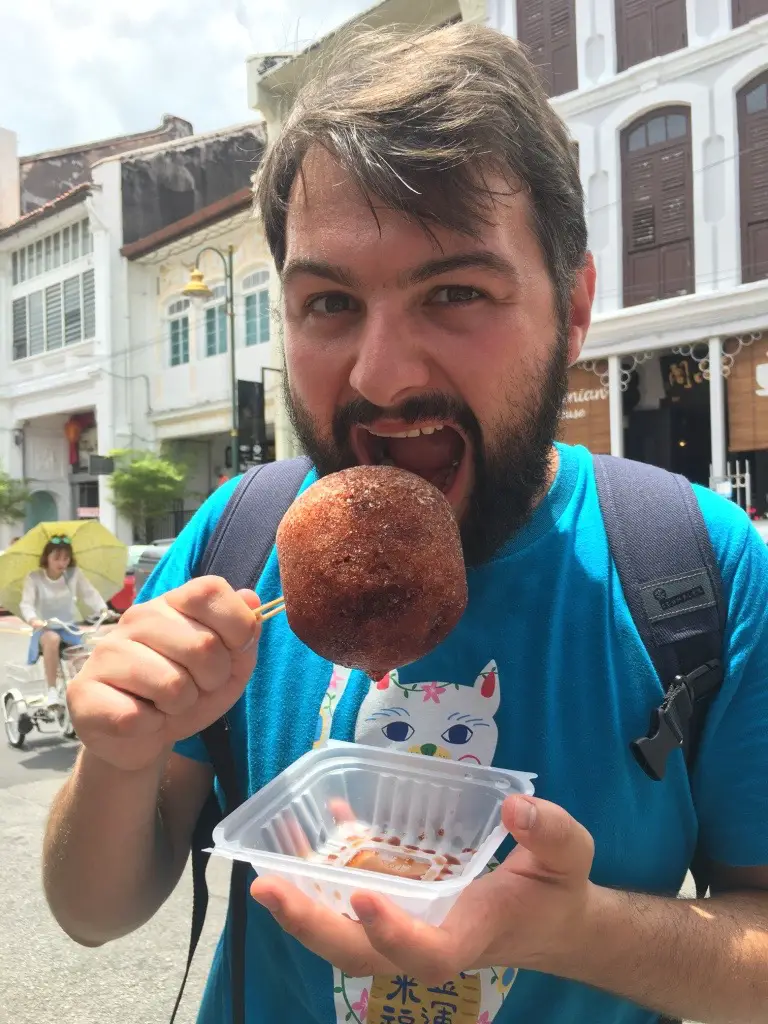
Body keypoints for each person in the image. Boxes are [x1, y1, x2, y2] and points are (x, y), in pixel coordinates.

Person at [42, 23, 768, 1024]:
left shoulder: (699, 568)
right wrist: (116, 761)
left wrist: (574, 928)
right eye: (330, 302)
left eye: (457, 292)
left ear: (574, 308)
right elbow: (90, 914)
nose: (382, 375)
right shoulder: (236, 541)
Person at [20, 535, 108, 707]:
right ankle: (52, 690)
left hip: (69, 628)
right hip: (45, 629)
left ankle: (83, 694)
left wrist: (103, 609)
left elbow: (89, 593)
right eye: (57, 558)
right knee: (52, 639)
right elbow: (26, 604)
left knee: (84, 656)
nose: (62, 562)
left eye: (66, 558)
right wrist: (33, 620)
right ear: (47, 558)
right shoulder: (35, 578)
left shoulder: (74, 575)